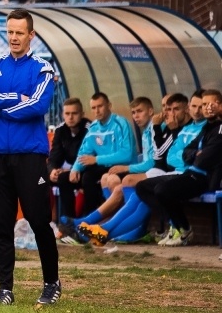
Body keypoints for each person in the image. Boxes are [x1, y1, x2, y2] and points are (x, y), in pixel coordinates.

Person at [0, 8, 60, 306]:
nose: (13, 37)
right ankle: (5, 288)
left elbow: (37, 106)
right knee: (1, 224)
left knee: (38, 222)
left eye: (19, 32)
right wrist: (13, 99)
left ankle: (52, 283)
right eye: (10, 32)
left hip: (29, 156)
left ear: (31, 35)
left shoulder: (42, 69)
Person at [79, 94, 191, 246]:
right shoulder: (159, 129)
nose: (167, 112)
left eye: (174, 108)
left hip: (176, 173)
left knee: (130, 183)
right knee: (135, 191)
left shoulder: (166, 127)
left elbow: (160, 159)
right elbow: (161, 155)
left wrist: (126, 167)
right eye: (166, 107)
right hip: (168, 172)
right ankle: (106, 229)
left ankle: (102, 227)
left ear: (187, 109)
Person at [135, 89, 222, 246]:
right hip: (191, 172)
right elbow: (188, 151)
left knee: (163, 189)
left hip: (205, 178)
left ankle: (183, 229)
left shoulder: (219, 128)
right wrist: (195, 153)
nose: (206, 108)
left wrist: (195, 155)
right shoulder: (207, 128)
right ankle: (177, 226)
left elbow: (204, 159)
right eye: (204, 105)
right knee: (142, 187)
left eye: (211, 104)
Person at [68, 92, 137, 216]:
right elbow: (84, 151)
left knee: (96, 177)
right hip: (105, 166)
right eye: (93, 108)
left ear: (109, 106)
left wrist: (96, 159)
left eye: (100, 106)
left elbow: (126, 154)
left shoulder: (121, 124)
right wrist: (75, 168)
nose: (97, 110)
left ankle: (104, 217)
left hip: (124, 166)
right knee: (85, 176)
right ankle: (86, 217)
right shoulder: (94, 128)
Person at [48, 98, 91, 219]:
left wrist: (72, 169)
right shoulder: (60, 130)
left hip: (87, 172)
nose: (70, 117)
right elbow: (54, 156)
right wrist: (52, 170)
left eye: (74, 113)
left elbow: (89, 157)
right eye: (67, 114)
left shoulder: (90, 129)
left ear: (82, 114)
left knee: (64, 178)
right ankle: (46, 221)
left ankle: (70, 220)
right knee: (40, 179)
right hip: (70, 173)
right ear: (63, 114)